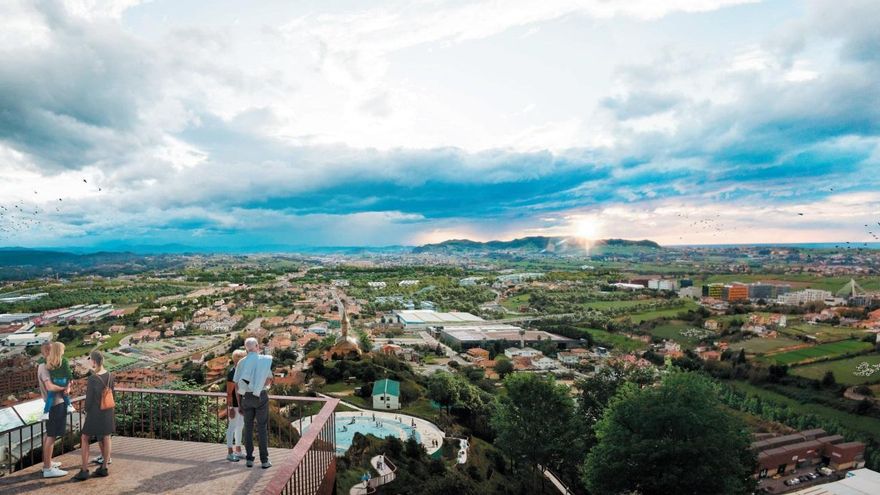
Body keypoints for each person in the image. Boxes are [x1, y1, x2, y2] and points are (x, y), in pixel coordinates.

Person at [74, 351, 115, 481]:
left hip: (95, 412)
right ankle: (104, 468)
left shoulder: (92, 379)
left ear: (94, 362)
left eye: (90, 360)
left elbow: (89, 400)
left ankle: (84, 470)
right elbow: (113, 393)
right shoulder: (110, 376)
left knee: (85, 437)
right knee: (107, 437)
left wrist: (86, 411)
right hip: (108, 410)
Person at [234, 337, 273, 469]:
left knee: (248, 428)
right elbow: (268, 381)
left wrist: (239, 404)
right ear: (257, 346)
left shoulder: (241, 362)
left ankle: (249, 459)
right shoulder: (264, 361)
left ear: (246, 348)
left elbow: (237, 386)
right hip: (260, 396)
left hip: (246, 398)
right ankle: (264, 461)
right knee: (262, 428)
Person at [38, 342, 69, 478]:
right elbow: (50, 387)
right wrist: (63, 388)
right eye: (51, 351)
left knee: (49, 435)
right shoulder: (44, 367)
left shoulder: (51, 366)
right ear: (46, 352)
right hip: (55, 405)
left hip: (56, 404)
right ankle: (48, 469)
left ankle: (48, 462)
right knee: (51, 436)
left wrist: (68, 386)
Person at [225, 349, 247, 462]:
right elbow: (229, 393)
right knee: (232, 427)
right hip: (234, 405)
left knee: (240, 426)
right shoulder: (232, 372)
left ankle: (238, 450)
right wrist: (230, 408)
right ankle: (229, 452)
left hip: (242, 405)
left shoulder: (241, 372)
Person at [42, 343, 72, 419]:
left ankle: (46, 413)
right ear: (60, 351)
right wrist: (71, 380)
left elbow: (45, 366)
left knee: (50, 397)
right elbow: (68, 372)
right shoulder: (64, 360)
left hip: (55, 381)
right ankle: (69, 406)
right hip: (63, 381)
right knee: (65, 394)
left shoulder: (48, 361)